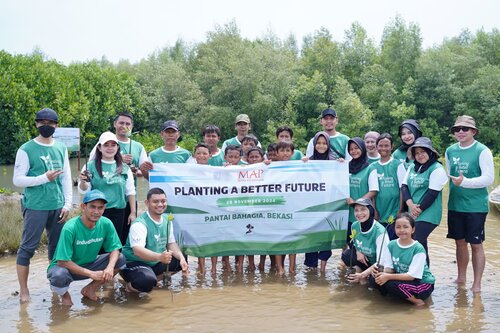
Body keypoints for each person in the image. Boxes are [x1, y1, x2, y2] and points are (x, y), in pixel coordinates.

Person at [13, 107, 72, 303]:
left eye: (51, 123)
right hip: (36, 206)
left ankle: (56, 288)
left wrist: (67, 204)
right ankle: (24, 291)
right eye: (42, 122)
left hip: (57, 206)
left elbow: (66, 179)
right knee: (27, 248)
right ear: (37, 124)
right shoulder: (26, 149)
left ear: (56, 125)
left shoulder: (61, 148)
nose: (46, 126)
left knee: (56, 250)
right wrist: (43, 178)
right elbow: (18, 180)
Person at [47, 190, 126, 306]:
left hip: (89, 264)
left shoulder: (106, 223)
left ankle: (90, 289)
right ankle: (65, 295)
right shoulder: (70, 227)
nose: (96, 212)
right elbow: (62, 261)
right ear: (83, 207)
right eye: (92, 207)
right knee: (59, 275)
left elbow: (115, 249)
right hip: (66, 268)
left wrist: (110, 267)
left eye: (100, 208)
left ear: (105, 208)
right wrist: (90, 274)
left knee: (120, 258)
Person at [445, 115, 494, 293]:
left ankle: (477, 284)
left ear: (473, 131)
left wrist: (464, 182)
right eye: (457, 129)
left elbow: (489, 179)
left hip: (476, 207)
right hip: (455, 205)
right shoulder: (450, 150)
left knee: (476, 244)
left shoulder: (482, 150)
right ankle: (461, 277)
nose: (461, 132)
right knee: (459, 243)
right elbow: (449, 176)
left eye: (465, 129)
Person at [89, 112, 147, 244]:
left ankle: (121, 260)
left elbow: (143, 171)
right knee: (101, 236)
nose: (124, 126)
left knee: (125, 234)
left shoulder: (138, 147)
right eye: (121, 123)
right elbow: (91, 165)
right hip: (104, 200)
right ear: (115, 124)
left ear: (131, 126)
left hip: (127, 199)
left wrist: (134, 170)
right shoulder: (103, 142)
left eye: (128, 124)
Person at [121, 188, 188, 293]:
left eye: (163, 201)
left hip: (155, 261)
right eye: (155, 201)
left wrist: (181, 258)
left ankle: (154, 280)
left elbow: (171, 243)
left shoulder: (167, 219)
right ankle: (130, 286)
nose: (160, 204)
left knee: (182, 258)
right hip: (134, 262)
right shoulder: (140, 224)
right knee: (146, 281)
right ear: (147, 203)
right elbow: (137, 251)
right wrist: (160, 257)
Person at [79, 132, 136, 244]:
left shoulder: (124, 168)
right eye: (106, 145)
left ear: (117, 147)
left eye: (113, 145)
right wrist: (82, 182)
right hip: (96, 212)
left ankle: (115, 261)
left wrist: (133, 212)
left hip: (119, 212)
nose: (110, 148)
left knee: (115, 243)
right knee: (96, 243)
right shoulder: (89, 166)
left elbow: (130, 191)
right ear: (99, 147)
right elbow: (84, 190)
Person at [369, 213, 435, 306]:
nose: (402, 230)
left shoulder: (418, 248)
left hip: (422, 284)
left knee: (391, 283)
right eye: (398, 227)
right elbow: (389, 269)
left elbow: (412, 276)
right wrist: (379, 272)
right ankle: (393, 297)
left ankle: (417, 302)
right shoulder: (391, 245)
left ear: (413, 229)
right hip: (404, 280)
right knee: (374, 278)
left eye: (405, 227)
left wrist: (387, 276)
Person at [401, 137, 447, 266]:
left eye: (423, 152)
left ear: (430, 152)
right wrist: (410, 204)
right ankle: (423, 273)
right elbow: (404, 187)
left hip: (429, 213)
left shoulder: (437, 168)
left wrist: (418, 210)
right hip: (413, 210)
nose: (420, 155)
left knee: (417, 240)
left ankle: (421, 274)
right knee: (420, 243)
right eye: (417, 153)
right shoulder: (412, 167)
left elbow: (432, 193)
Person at [303, 132, 336, 272]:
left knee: (326, 237)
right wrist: (302, 164)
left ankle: (323, 268)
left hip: (329, 206)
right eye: (318, 143)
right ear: (314, 144)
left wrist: (340, 164)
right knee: (311, 237)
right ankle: (311, 267)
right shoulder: (307, 161)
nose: (321, 146)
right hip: (311, 206)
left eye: (324, 143)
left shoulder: (334, 162)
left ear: (328, 145)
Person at [341, 198, 389, 284]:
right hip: (366, 261)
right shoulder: (355, 225)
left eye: (363, 209)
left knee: (373, 281)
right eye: (356, 210)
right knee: (347, 255)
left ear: (370, 210)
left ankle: (366, 278)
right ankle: (361, 277)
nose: (359, 213)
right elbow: (354, 243)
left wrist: (362, 275)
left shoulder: (380, 232)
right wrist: (358, 251)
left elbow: (381, 262)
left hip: (379, 266)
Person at [372, 133, 406, 240]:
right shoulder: (372, 167)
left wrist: (399, 211)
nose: (383, 148)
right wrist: (374, 210)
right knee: (381, 242)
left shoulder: (398, 165)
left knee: (392, 242)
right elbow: (372, 191)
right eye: (381, 145)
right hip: (379, 212)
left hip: (394, 212)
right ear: (377, 147)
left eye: (386, 145)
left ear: (392, 147)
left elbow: (402, 189)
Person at [345, 138, 379, 244]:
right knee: (349, 242)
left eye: (356, 148)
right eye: (351, 149)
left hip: (363, 211)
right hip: (348, 211)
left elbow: (373, 191)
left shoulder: (370, 167)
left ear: (363, 149)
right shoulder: (345, 166)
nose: (354, 151)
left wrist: (357, 203)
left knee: (364, 243)